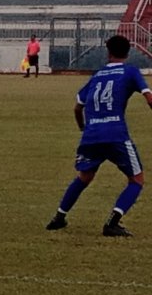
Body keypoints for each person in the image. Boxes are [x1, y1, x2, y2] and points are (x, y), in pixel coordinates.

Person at [46, 35, 152, 237]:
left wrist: (83, 129)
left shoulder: (97, 75)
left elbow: (78, 108)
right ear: (128, 53)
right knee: (136, 180)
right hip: (116, 134)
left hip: (91, 134)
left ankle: (59, 217)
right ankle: (112, 223)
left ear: (108, 53)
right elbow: (149, 98)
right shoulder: (130, 71)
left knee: (84, 177)